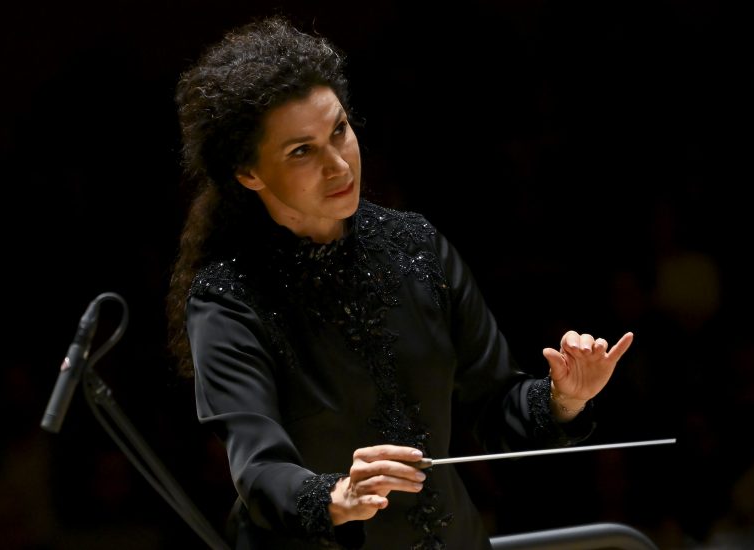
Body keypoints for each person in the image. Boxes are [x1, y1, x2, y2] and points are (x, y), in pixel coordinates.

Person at [165, 15, 634, 550]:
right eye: (301, 151)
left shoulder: (416, 245)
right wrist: (337, 495)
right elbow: (258, 470)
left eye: (339, 131)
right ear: (248, 173)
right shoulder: (228, 298)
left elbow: (495, 405)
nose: (338, 164)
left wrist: (563, 397)